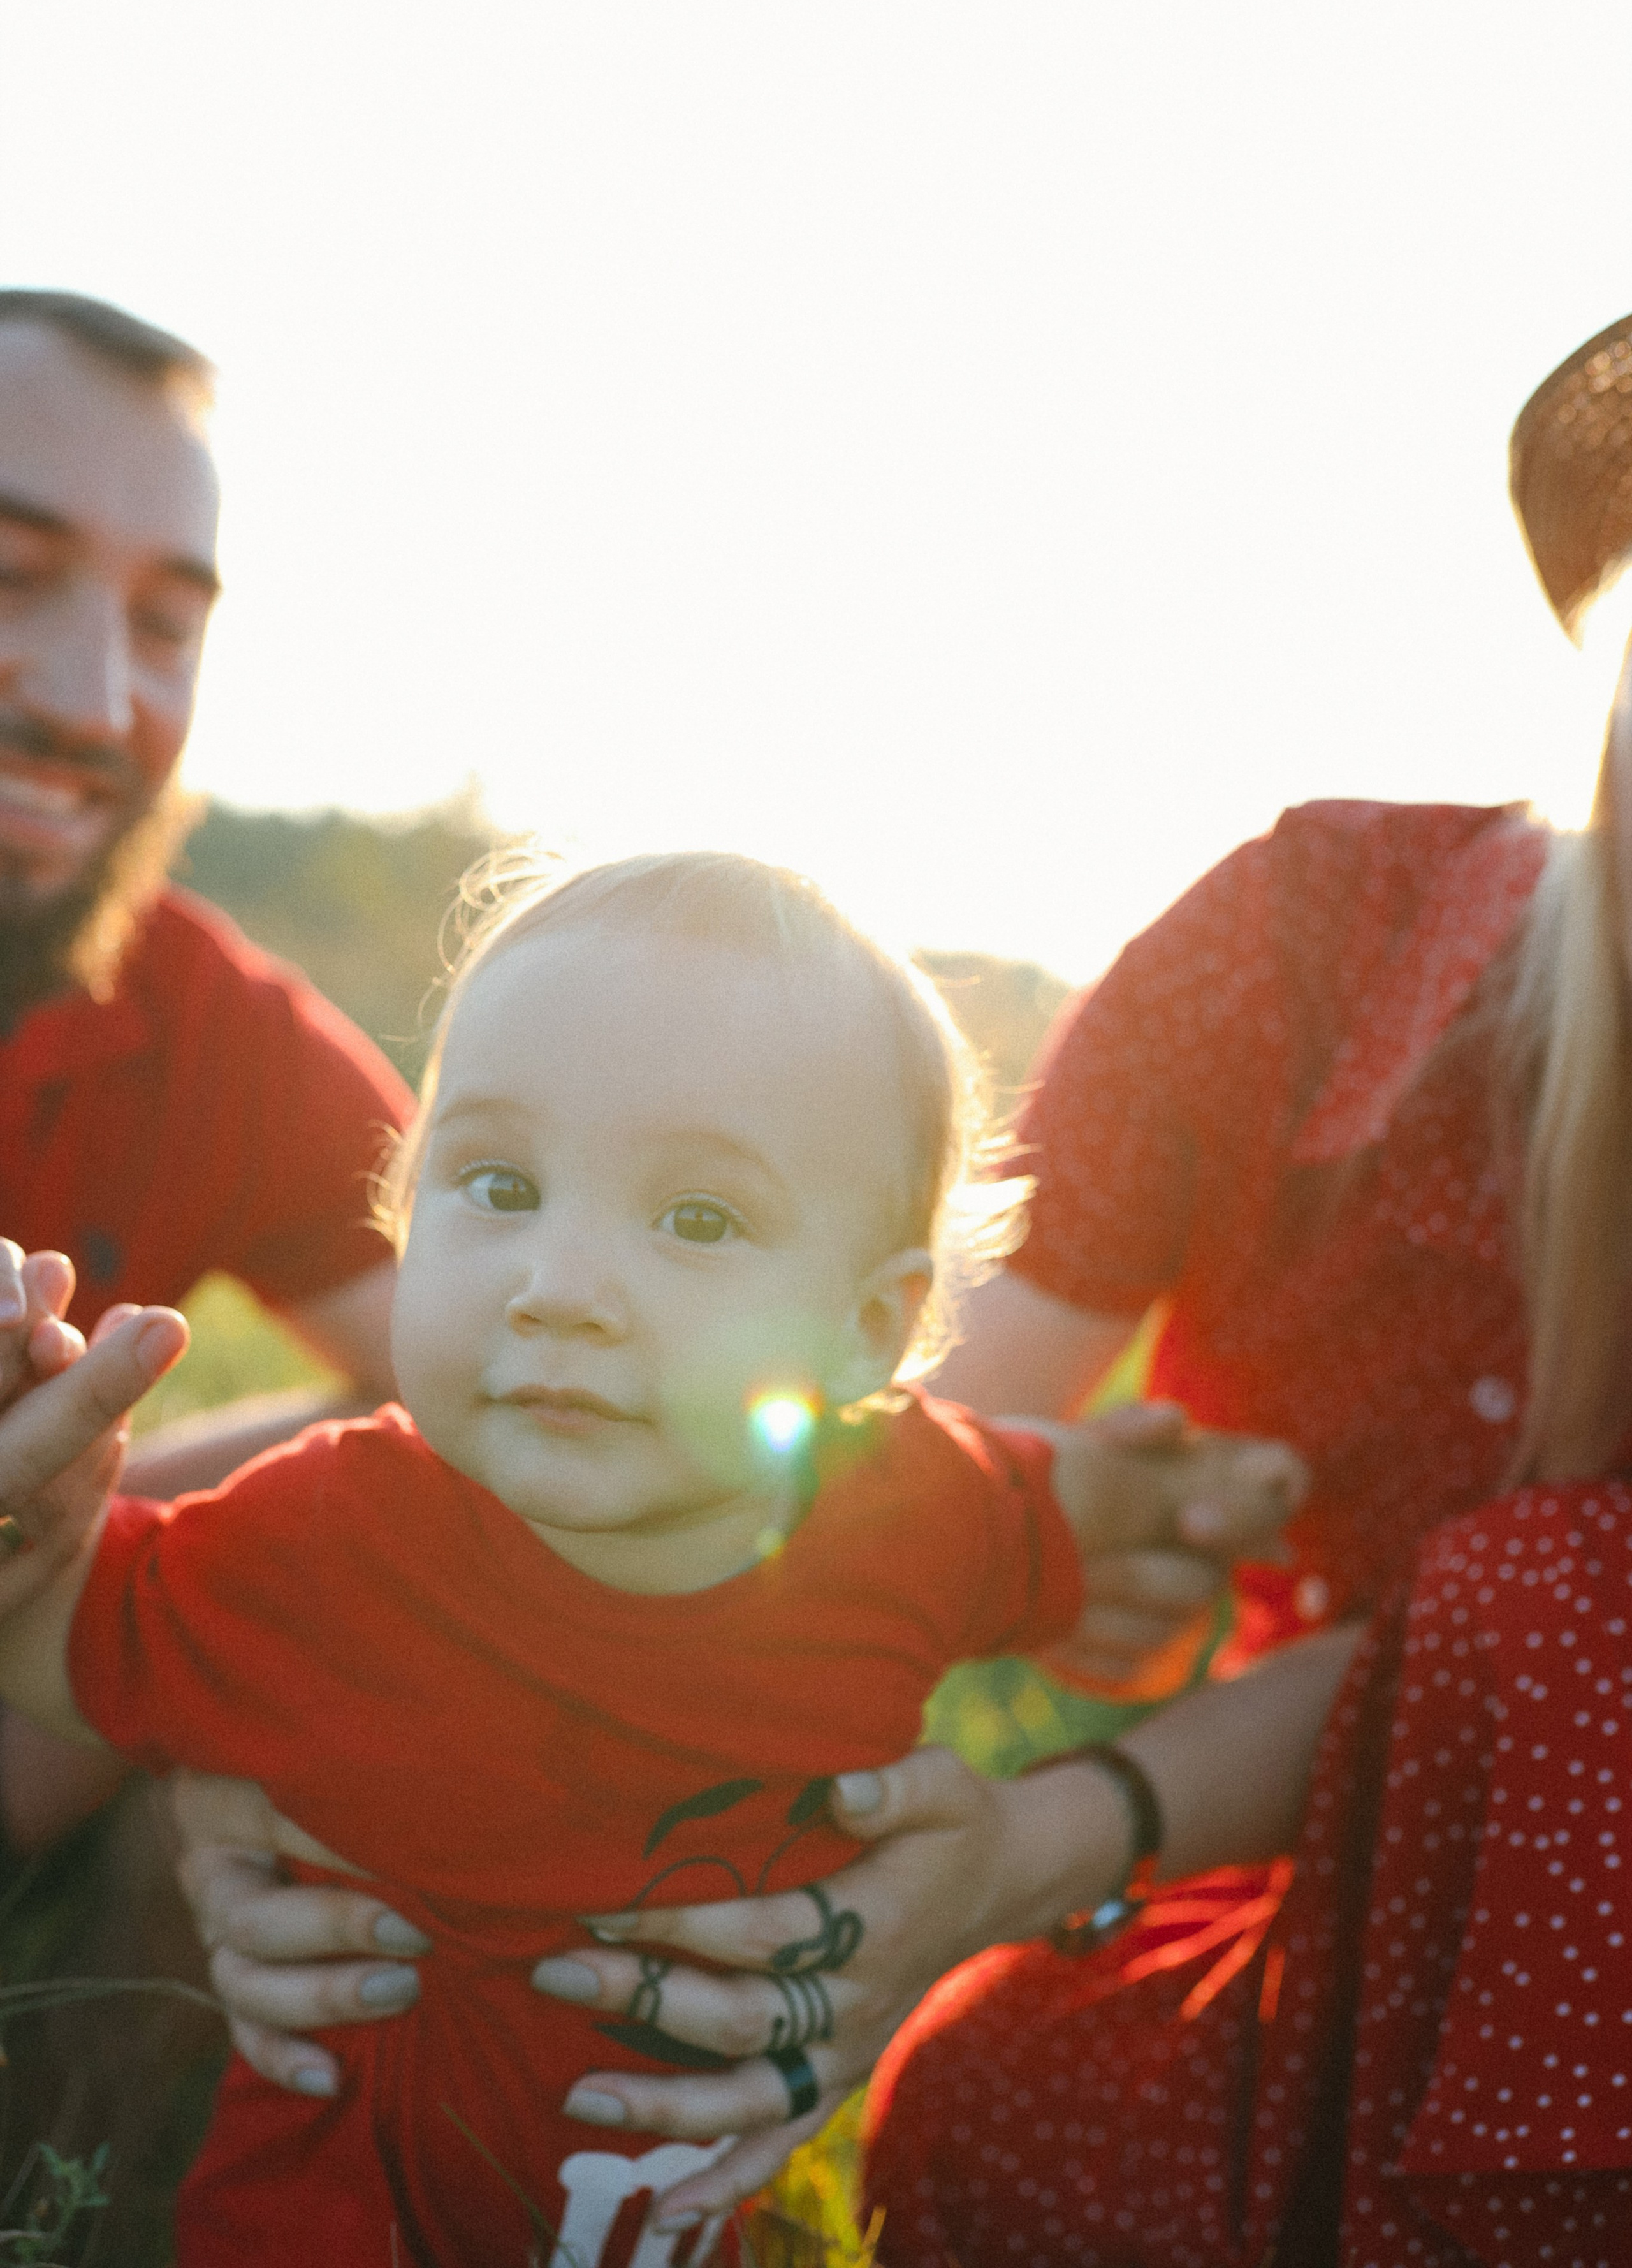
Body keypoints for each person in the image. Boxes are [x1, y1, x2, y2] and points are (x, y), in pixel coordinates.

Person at [255, 305, 1622, 2255]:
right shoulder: (1311, 945)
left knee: (1552, 1599)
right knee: (1014, 2109)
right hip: (1327, 1882)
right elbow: (835, 1444)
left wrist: (1049, 1826)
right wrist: (300, 1748)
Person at [0, 847, 1302, 2267]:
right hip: (332, 2223)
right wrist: (33, 1468)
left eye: (696, 1219)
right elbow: (69, 1637)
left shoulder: (908, 1508)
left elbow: (1072, 1498)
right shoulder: (328, 1533)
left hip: (668, 2217)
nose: (559, 1289)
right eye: (497, 1183)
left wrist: (1220, 1488)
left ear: (867, 1331)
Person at [0, 286, 411, 1855]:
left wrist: (92, 1511)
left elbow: (493, 1357)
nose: (100, 703)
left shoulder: (199, 1022)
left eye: (166, 626)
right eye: (9, 575)